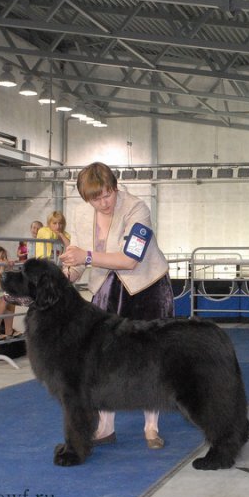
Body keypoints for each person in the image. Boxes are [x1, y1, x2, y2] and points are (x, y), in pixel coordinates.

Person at [60, 162, 173, 450]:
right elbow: (79, 267)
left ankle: (151, 427)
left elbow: (130, 260)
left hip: (147, 288)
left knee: (151, 360)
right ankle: (105, 426)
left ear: (115, 186)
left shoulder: (138, 210)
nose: (102, 202)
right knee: (102, 363)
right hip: (106, 290)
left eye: (107, 195)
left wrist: (84, 256)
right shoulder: (81, 215)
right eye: (95, 199)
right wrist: (66, 271)